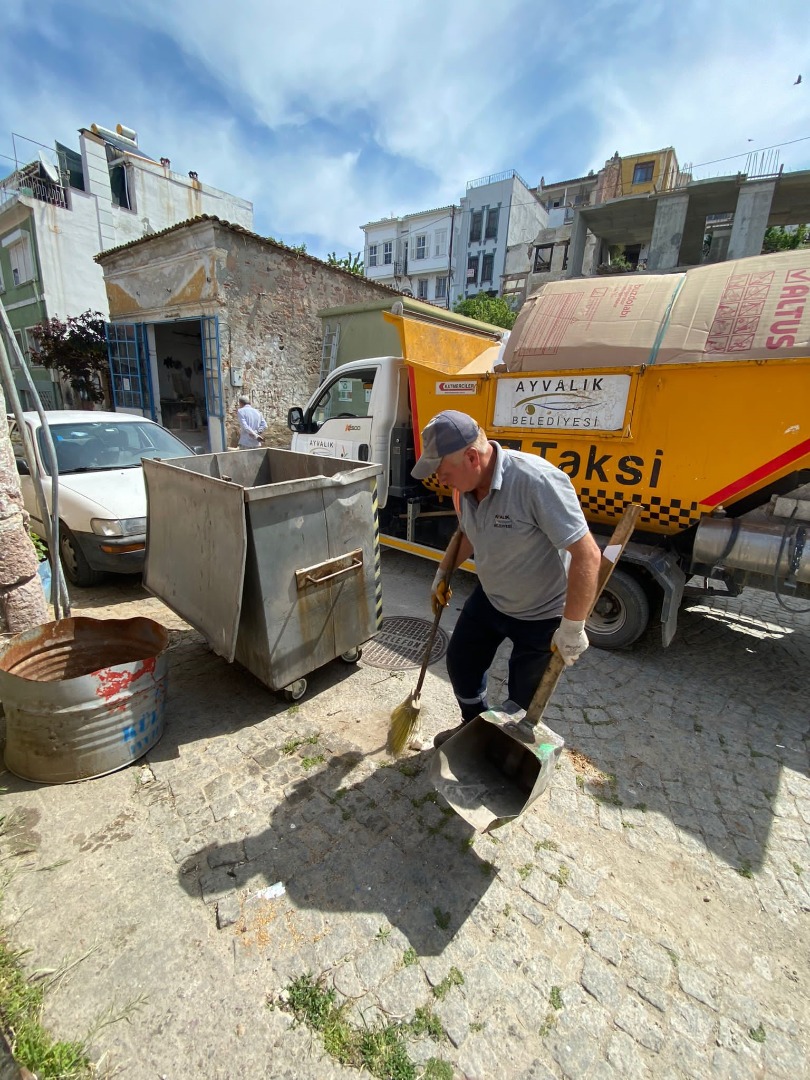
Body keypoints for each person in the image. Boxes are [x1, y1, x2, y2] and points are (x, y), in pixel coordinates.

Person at [412, 410, 602, 747]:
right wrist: (444, 572)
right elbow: (468, 533)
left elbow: (587, 554)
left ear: (472, 457)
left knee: (524, 696)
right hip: (491, 598)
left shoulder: (537, 482)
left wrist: (573, 626)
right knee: (462, 663)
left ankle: (505, 746)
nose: (440, 480)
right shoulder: (464, 486)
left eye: (444, 472)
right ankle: (473, 725)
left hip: (541, 614)